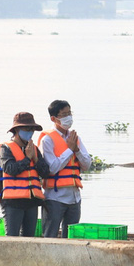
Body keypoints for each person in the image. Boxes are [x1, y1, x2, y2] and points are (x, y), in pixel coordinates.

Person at [0, 112, 51, 237]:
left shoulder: (33, 149)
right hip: (12, 201)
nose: (30, 132)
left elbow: (45, 172)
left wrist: (35, 158)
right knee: (12, 238)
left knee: (29, 239)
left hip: (32, 201)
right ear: (17, 129)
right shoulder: (5, 148)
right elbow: (10, 169)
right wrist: (27, 158)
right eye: (26, 128)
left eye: (32, 129)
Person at [39, 99, 92, 238]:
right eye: (63, 114)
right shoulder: (47, 140)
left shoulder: (75, 138)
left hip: (74, 197)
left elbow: (87, 165)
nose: (68, 117)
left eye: (70, 113)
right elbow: (52, 168)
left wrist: (77, 150)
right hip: (55, 197)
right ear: (54, 118)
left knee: (72, 238)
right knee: (50, 235)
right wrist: (70, 150)